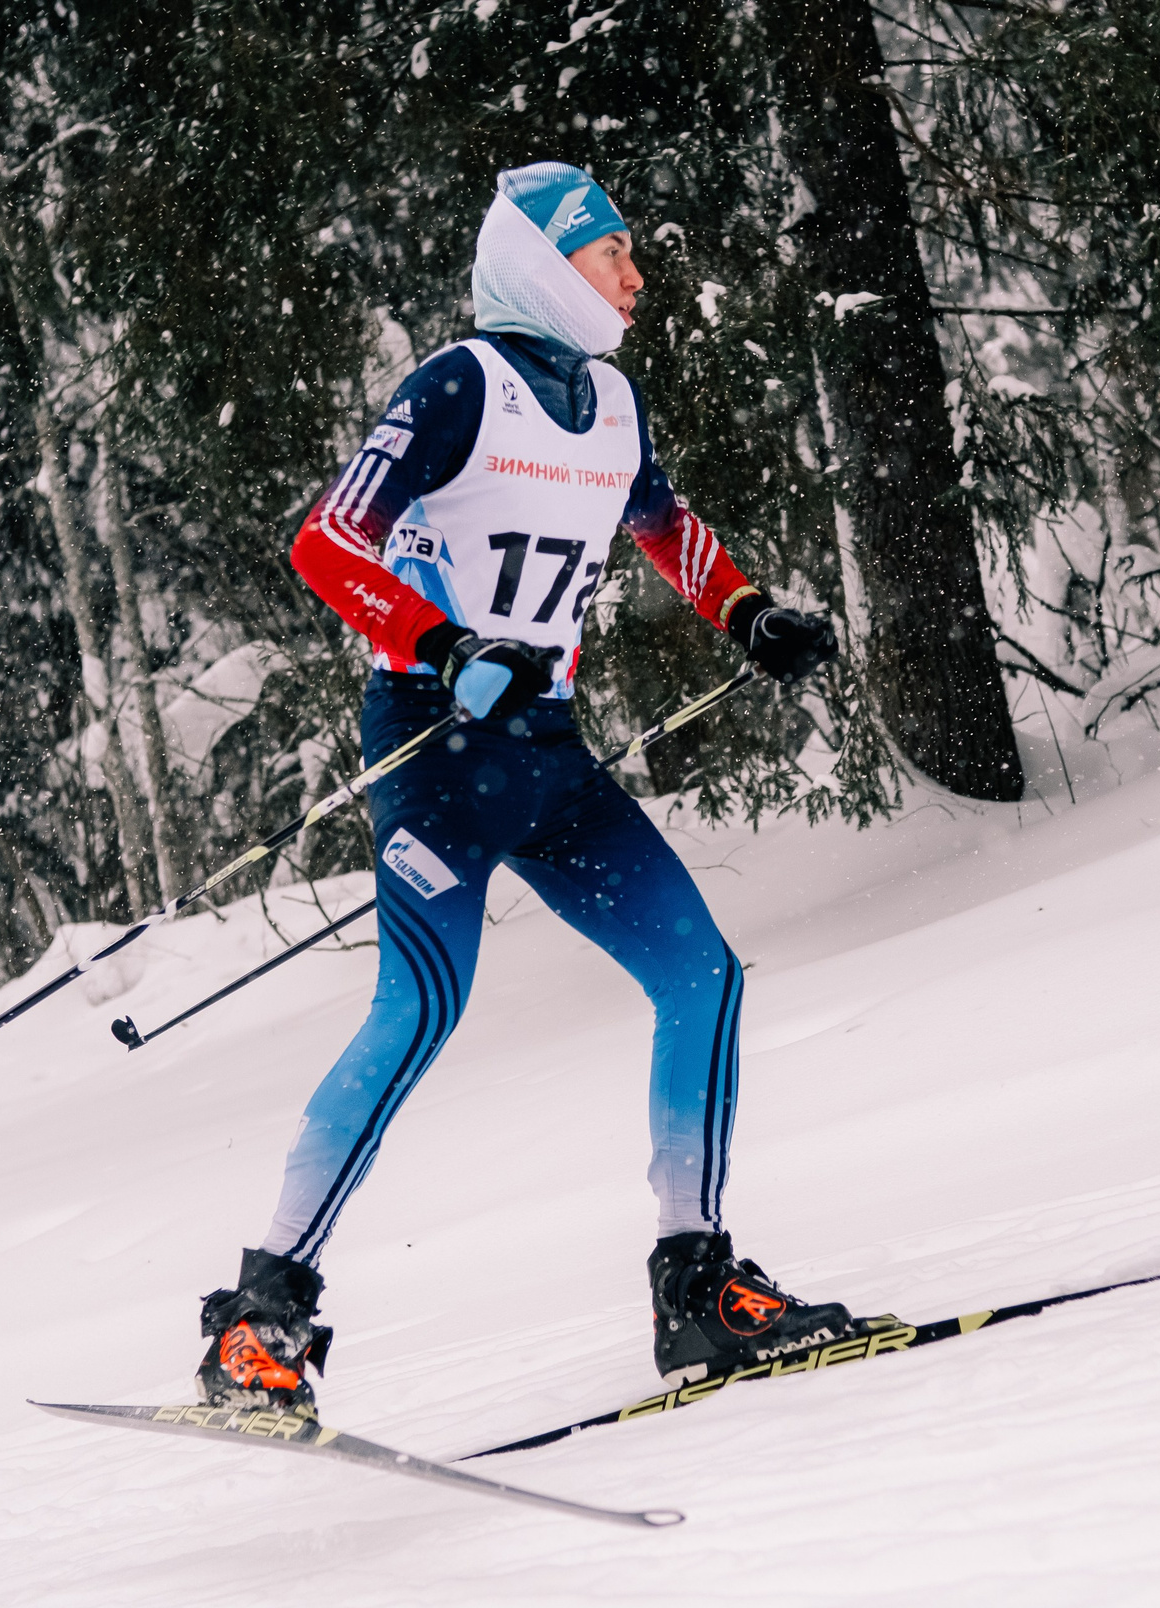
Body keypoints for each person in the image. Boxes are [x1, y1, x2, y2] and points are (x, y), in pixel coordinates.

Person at [194, 163, 865, 1416]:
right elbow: (325, 543)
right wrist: (444, 648)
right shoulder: (458, 384)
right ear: (551, 264)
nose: (635, 274)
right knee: (418, 1013)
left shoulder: (612, 400)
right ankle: (259, 1321)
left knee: (701, 976)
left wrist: (745, 611)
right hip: (436, 749)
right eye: (612, 252)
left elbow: (662, 522)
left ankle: (696, 1283)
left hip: (547, 754)